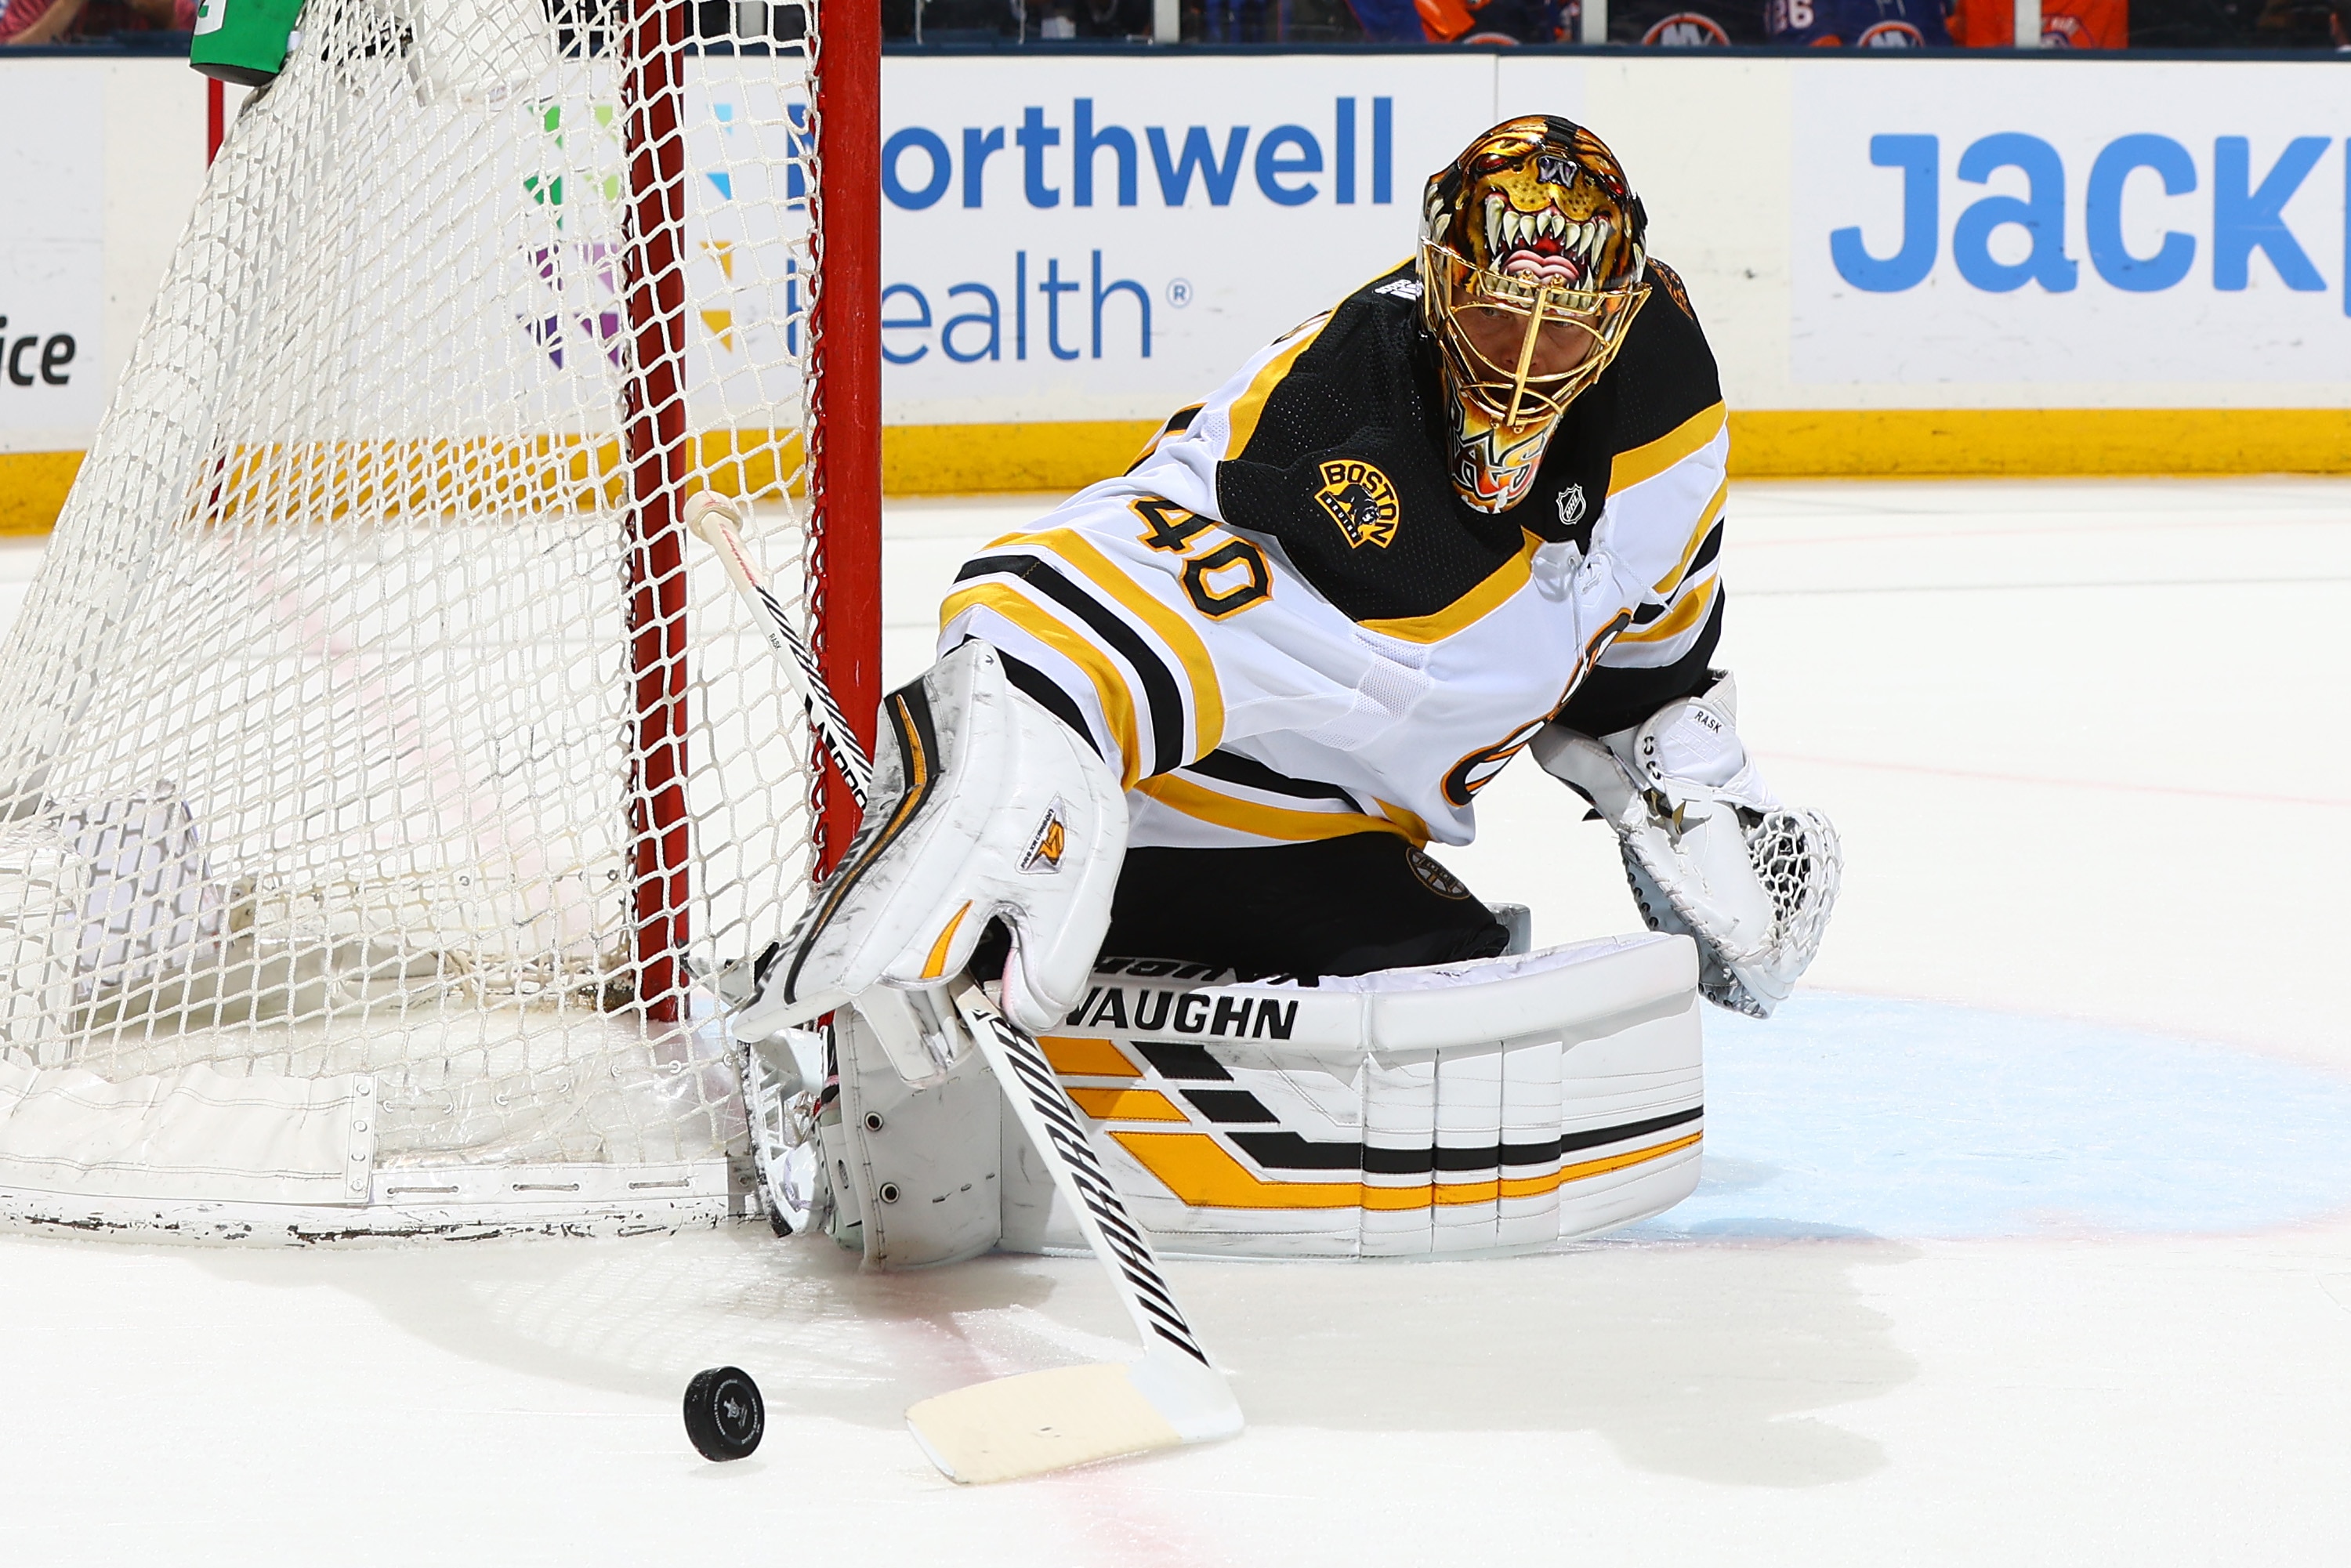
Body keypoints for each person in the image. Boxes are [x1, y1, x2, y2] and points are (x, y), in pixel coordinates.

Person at [736, 116, 1840, 1261]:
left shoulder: (1668, 398)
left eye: (1560, 335)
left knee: (1460, 973)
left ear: (1618, 321)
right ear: (1436, 283)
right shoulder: (1333, 430)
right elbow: (1088, 574)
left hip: (1330, 833)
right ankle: (892, 1032)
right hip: (1161, 823)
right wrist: (1035, 715)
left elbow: (1640, 651)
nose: (1520, 365)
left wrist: (1693, 786)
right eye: (1496, 315)